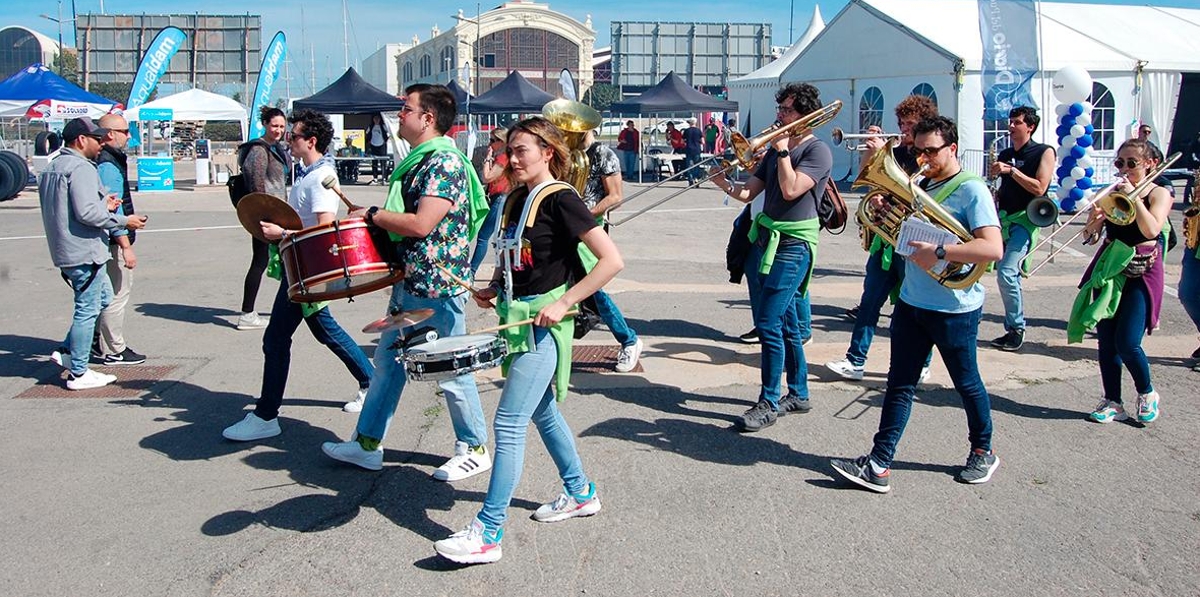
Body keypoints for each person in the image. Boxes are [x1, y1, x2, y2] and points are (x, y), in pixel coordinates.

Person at [433, 116, 623, 565]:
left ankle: (488, 530)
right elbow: (516, 257)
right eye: (510, 151)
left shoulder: (562, 199)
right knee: (542, 411)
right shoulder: (518, 198)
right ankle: (580, 491)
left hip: (542, 326)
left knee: (508, 423)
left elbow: (611, 261)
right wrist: (495, 287)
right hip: (516, 316)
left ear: (548, 153)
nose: (512, 159)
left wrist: (564, 302)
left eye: (522, 151)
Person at [322, 84, 493, 481]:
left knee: (451, 369)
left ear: (427, 118)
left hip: (438, 287)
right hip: (412, 282)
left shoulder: (443, 163)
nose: (400, 114)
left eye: (406, 108)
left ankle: (475, 446)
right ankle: (367, 443)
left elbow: (421, 223)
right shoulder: (420, 160)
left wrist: (376, 215)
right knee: (387, 366)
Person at [830, 115, 1004, 493]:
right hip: (912, 301)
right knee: (899, 384)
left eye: (931, 151)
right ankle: (879, 463)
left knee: (966, 382)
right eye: (918, 150)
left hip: (954, 307)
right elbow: (904, 232)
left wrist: (942, 250)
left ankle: (982, 450)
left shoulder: (972, 190)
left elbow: (993, 248)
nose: (922, 158)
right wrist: (882, 213)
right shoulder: (920, 183)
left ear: (952, 148)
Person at [221, 109, 375, 442]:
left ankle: (266, 416)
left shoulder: (320, 178)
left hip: (308, 271)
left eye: (294, 136)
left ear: (311, 141)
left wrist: (282, 233)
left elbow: (322, 229)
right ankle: (370, 382)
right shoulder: (311, 172)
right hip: (301, 270)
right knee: (322, 332)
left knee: (277, 340)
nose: (288, 140)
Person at [710, 82, 832, 432]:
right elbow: (748, 192)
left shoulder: (817, 151)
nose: (779, 116)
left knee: (768, 323)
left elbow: (793, 189)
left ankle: (768, 400)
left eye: (787, 111)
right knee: (788, 323)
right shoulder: (777, 150)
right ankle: (799, 392)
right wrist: (722, 181)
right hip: (765, 238)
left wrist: (780, 152)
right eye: (779, 110)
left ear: (805, 116)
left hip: (794, 245)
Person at [826, 95, 938, 382]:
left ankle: (922, 362)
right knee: (869, 301)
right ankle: (855, 360)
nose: (903, 129)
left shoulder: (932, 157)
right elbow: (867, 180)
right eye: (900, 123)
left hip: (915, 240)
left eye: (909, 124)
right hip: (886, 238)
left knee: (913, 307)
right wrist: (872, 156)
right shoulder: (894, 151)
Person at [40, 117, 147, 390]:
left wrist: (104, 204)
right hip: (84, 250)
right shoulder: (80, 168)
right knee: (87, 308)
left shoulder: (54, 167)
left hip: (66, 247)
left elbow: (73, 207)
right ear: (80, 140)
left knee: (103, 298)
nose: (102, 144)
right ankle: (78, 371)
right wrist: (124, 221)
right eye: (97, 139)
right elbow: (87, 214)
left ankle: (68, 350)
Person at [1068, 139, 1170, 424]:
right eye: (1119, 163)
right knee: (1106, 340)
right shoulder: (1110, 191)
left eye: (1131, 163)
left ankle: (1147, 392)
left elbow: (1152, 228)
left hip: (1142, 267)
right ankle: (1113, 400)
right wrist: (1095, 219)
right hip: (1111, 265)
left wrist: (1134, 197)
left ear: (1149, 163)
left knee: (1128, 341)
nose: (1124, 169)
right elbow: (1090, 238)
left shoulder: (1159, 193)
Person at [989, 106, 1054, 352]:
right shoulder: (1005, 152)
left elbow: (1040, 187)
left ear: (1030, 126)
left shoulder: (1044, 151)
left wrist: (1011, 171)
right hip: (1002, 218)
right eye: (1011, 121)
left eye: (1017, 122)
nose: (1012, 125)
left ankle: (1016, 328)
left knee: (1007, 272)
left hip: (1026, 219)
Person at [579, 129, 643, 372]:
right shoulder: (568, 153)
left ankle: (629, 340)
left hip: (590, 228)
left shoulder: (603, 154)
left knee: (593, 288)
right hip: (567, 227)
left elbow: (615, 196)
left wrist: (585, 213)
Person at [91, 113, 146, 365]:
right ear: (110, 134)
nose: (129, 136)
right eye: (125, 131)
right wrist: (126, 247)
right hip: (113, 242)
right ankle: (114, 349)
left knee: (102, 295)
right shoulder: (109, 165)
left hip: (106, 240)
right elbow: (114, 209)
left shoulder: (105, 160)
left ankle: (93, 342)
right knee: (116, 294)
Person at [234, 107, 289, 331]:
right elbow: (256, 185)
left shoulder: (277, 148)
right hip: (266, 215)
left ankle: (253, 311)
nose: (278, 130)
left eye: (282, 127)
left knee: (267, 260)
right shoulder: (258, 150)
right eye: (274, 126)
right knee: (263, 261)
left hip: (277, 213)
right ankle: (247, 314)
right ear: (265, 124)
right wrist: (263, 217)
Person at [470, 127, 511, 277]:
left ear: (502, 142)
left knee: (483, 236)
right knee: (497, 237)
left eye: (493, 141)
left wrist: (488, 157)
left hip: (500, 197)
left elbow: (487, 177)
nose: (490, 143)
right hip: (500, 197)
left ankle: (471, 271)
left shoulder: (502, 158)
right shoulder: (505, 156)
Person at [366, 113, 390, 185]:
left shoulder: (383, 126)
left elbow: (388, 134)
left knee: (383, 162)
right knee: (374, 163)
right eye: (375, 119)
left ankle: (384, 178)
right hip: (373, 145)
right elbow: (367, 134)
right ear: (373, 119)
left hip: (382, 145)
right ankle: (375, 178)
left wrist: (384, 141)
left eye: (378, 119)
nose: (376, 120)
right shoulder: (371, 126)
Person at [682, 117, 704, 184]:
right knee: (697, 165)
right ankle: (696, 178)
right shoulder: (698, 131)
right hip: (697, 149)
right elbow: (703, 141)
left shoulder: (686, 131)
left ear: (690, 123)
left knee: (689, 165)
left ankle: (690, 179)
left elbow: (682, 141)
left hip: (688, 149)